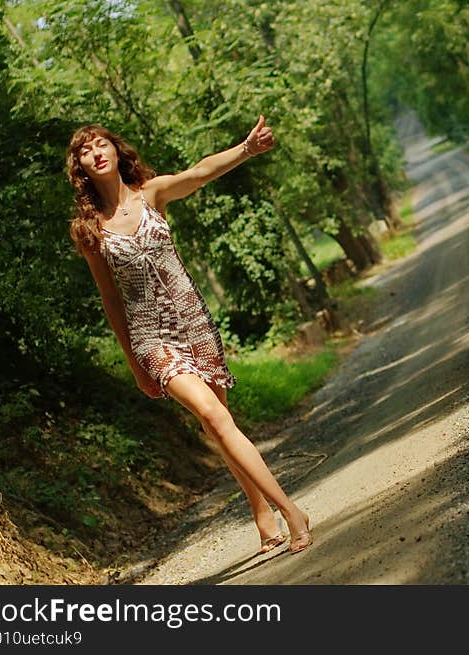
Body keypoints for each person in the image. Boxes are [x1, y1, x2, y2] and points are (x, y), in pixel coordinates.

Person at [65, 117, 313, 556]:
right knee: (213, 418)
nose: (96, 152)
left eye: (102, 144)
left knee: (222, 422)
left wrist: (246, 149)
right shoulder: (88, 230)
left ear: (117, 151)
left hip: (192, 319)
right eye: (86, 151)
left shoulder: (153, 194)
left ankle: (261, 515)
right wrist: (133, 362)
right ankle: (290, 510)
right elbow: (111, 300)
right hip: (150, 338)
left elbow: (198, 173)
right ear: (80, 167)